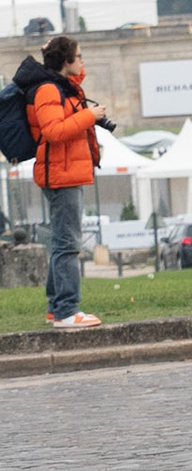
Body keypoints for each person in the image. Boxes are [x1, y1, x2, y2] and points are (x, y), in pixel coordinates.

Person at [23, 36, 113, 328]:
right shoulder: (49, 89)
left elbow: (76, 74)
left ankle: (55, 307)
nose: (83, 61)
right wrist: (88, 116)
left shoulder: (60, 84)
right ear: (66, 61)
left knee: (64, 241)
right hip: (60, 175)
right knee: (67, 244)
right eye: (79, 56)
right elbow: (53, 132)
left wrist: (50, 54)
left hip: (66, 173)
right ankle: (65, 311)